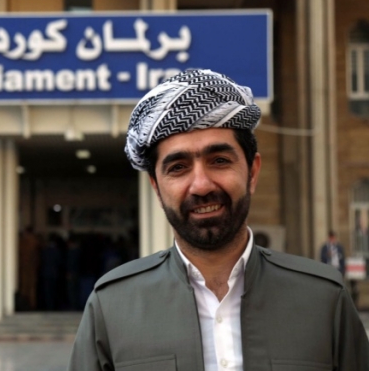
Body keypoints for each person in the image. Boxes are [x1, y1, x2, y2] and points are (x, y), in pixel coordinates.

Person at [68, 69, 369, 370]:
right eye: (178, 167)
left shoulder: (324, 299)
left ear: (252, 172)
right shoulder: (112, 306)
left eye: (220, 161)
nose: (201, 185)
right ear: (156, 187)